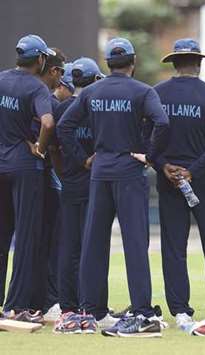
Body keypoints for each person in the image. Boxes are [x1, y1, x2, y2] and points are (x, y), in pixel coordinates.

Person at [58, 37, 169, 337]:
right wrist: (149, 155)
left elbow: (64, 127)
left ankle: (89, 312)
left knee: (93, 243)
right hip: (130, 171)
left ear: (108, 63)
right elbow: (162, 122)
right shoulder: (143, 91)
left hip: (100, 171)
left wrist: (83, 159)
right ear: (132, 63)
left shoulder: (92, 91)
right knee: (135, 244)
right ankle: (143, 313)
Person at [154, 39, 205, 328]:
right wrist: (194, 171)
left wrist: (164, 166)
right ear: (199, 63)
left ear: (174, 63)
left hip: (169, 179)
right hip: (201, 180)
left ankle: (181, 311)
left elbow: (145, 137)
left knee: (174, 246)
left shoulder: (157, 93)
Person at [0, 34, 55, 320]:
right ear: (41, 59)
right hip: (24, 168)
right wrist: (40, 149)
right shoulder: (37, 87)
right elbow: (47, 121)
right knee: (25, 236)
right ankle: (16, 305)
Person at [53, 57, 104, 334]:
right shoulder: (99, 108)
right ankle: (92, 308)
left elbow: (53, 148)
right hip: (96, 184)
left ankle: (68, 308)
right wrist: (86, 160)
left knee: (69, 248)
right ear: (96, 79)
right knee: (92, 247)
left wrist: (66, 169)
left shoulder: (62, 108)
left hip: (71, 183)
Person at [34, 48, 66, 319]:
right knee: (51, 240)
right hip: (45, 178)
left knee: (33, 241)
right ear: (53, 70)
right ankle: (49, 300)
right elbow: (54, 143)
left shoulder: (21, 92)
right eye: (61, 72)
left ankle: (31, 300)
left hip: (21, 175)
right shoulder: (47, 101)